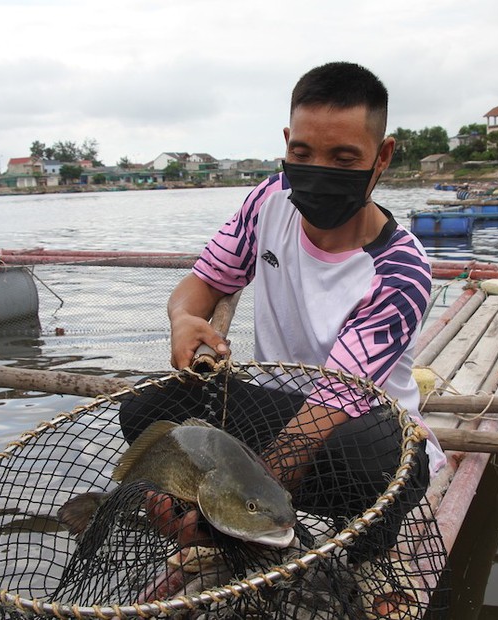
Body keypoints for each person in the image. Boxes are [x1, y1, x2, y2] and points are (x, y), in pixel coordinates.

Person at [118, 61, 445, 614]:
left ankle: (363, 554)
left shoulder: (399, 271)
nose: (318, 172)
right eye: (303, 155)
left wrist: (226, 505)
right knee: (147, 410)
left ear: (382, 157)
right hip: (274, 405)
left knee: (379, 454)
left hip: (356, 432)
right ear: (287, 144)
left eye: (343, 159)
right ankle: (238, 528)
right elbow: (202, 284)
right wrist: (183, 321)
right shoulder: (268, 201)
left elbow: (329, 406)